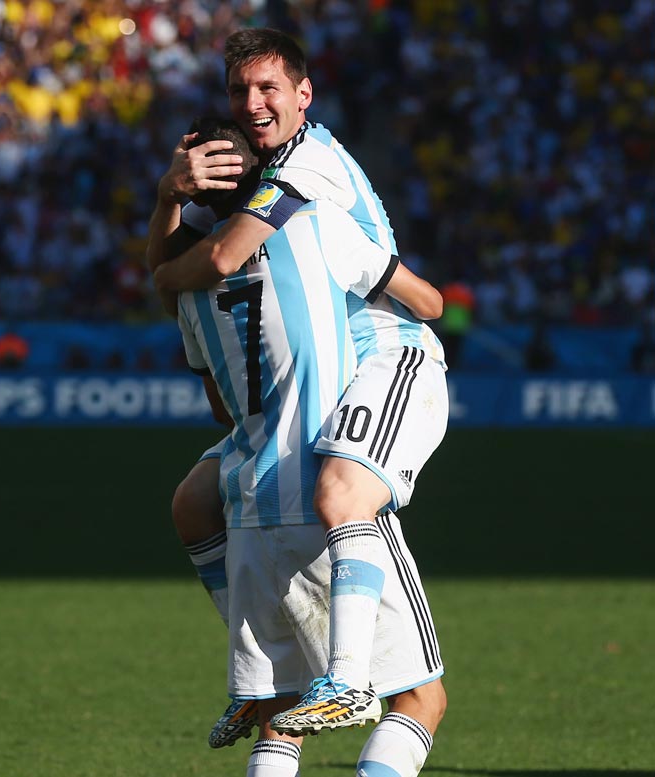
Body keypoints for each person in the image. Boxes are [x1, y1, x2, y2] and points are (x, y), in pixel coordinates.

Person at [148, 27, 449, 749]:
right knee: (194, 500)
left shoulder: (307, 167)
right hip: (315, 378)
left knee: (341, 491)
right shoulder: (257, 170)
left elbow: (208, 259)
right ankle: (271, 677)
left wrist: (167, 271)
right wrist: (168, 198)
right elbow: (179, 255)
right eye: (239, 90)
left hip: (385, 353)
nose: (252, 103)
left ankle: (338, 677)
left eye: (268, 88)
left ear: (303, 95)